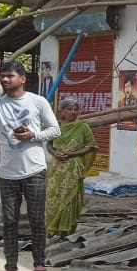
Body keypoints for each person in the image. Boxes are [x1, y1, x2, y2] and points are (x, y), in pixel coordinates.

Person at [0, 61, 61, 271]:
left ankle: (39, 264)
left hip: (34, 170)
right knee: (9, 222)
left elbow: (55, 129)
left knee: (36, 219)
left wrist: (33, 135)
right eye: (3, 76)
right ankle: (10, 269)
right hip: (8, 172)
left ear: (22, 79)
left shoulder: (37, 101)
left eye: (10, 76)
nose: (6, 79)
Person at [45, 98, 97, 239]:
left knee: (70, 199)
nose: (73, 112)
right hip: (57, 167)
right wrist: (55, 153)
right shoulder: (55, 126)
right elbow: (49, 144)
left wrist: (72, 154)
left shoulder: (82, 127)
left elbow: (91, 146)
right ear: (62, 111)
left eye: (75, 109)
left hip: (73, 169)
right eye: (69, 109)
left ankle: (65, 232)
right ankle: (52, 229)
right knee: (53, 198)